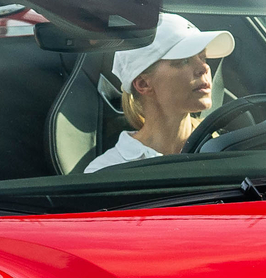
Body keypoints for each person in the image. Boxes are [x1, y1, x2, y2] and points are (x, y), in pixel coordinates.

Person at [84, 16, 237, 171]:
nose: (204, 68)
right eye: (183, 60)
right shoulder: (106, 170)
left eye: (202, 57)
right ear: (143, 84)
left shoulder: (228, 151)